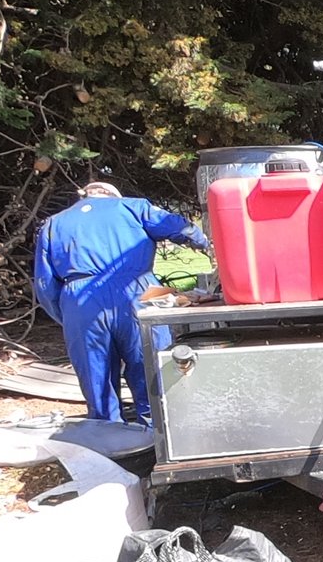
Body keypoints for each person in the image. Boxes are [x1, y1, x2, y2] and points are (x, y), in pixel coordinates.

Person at [34, 181, 210, 424]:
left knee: (96, 375)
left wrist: (68, 315)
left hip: (79, 299)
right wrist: (203, 241)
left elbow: (45, 284)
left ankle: (108, 435)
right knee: (150, 364)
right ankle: (156, 431)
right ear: (112, 196)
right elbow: (178, 227)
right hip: (137, 290)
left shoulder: (54, 223)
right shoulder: (133, 207)